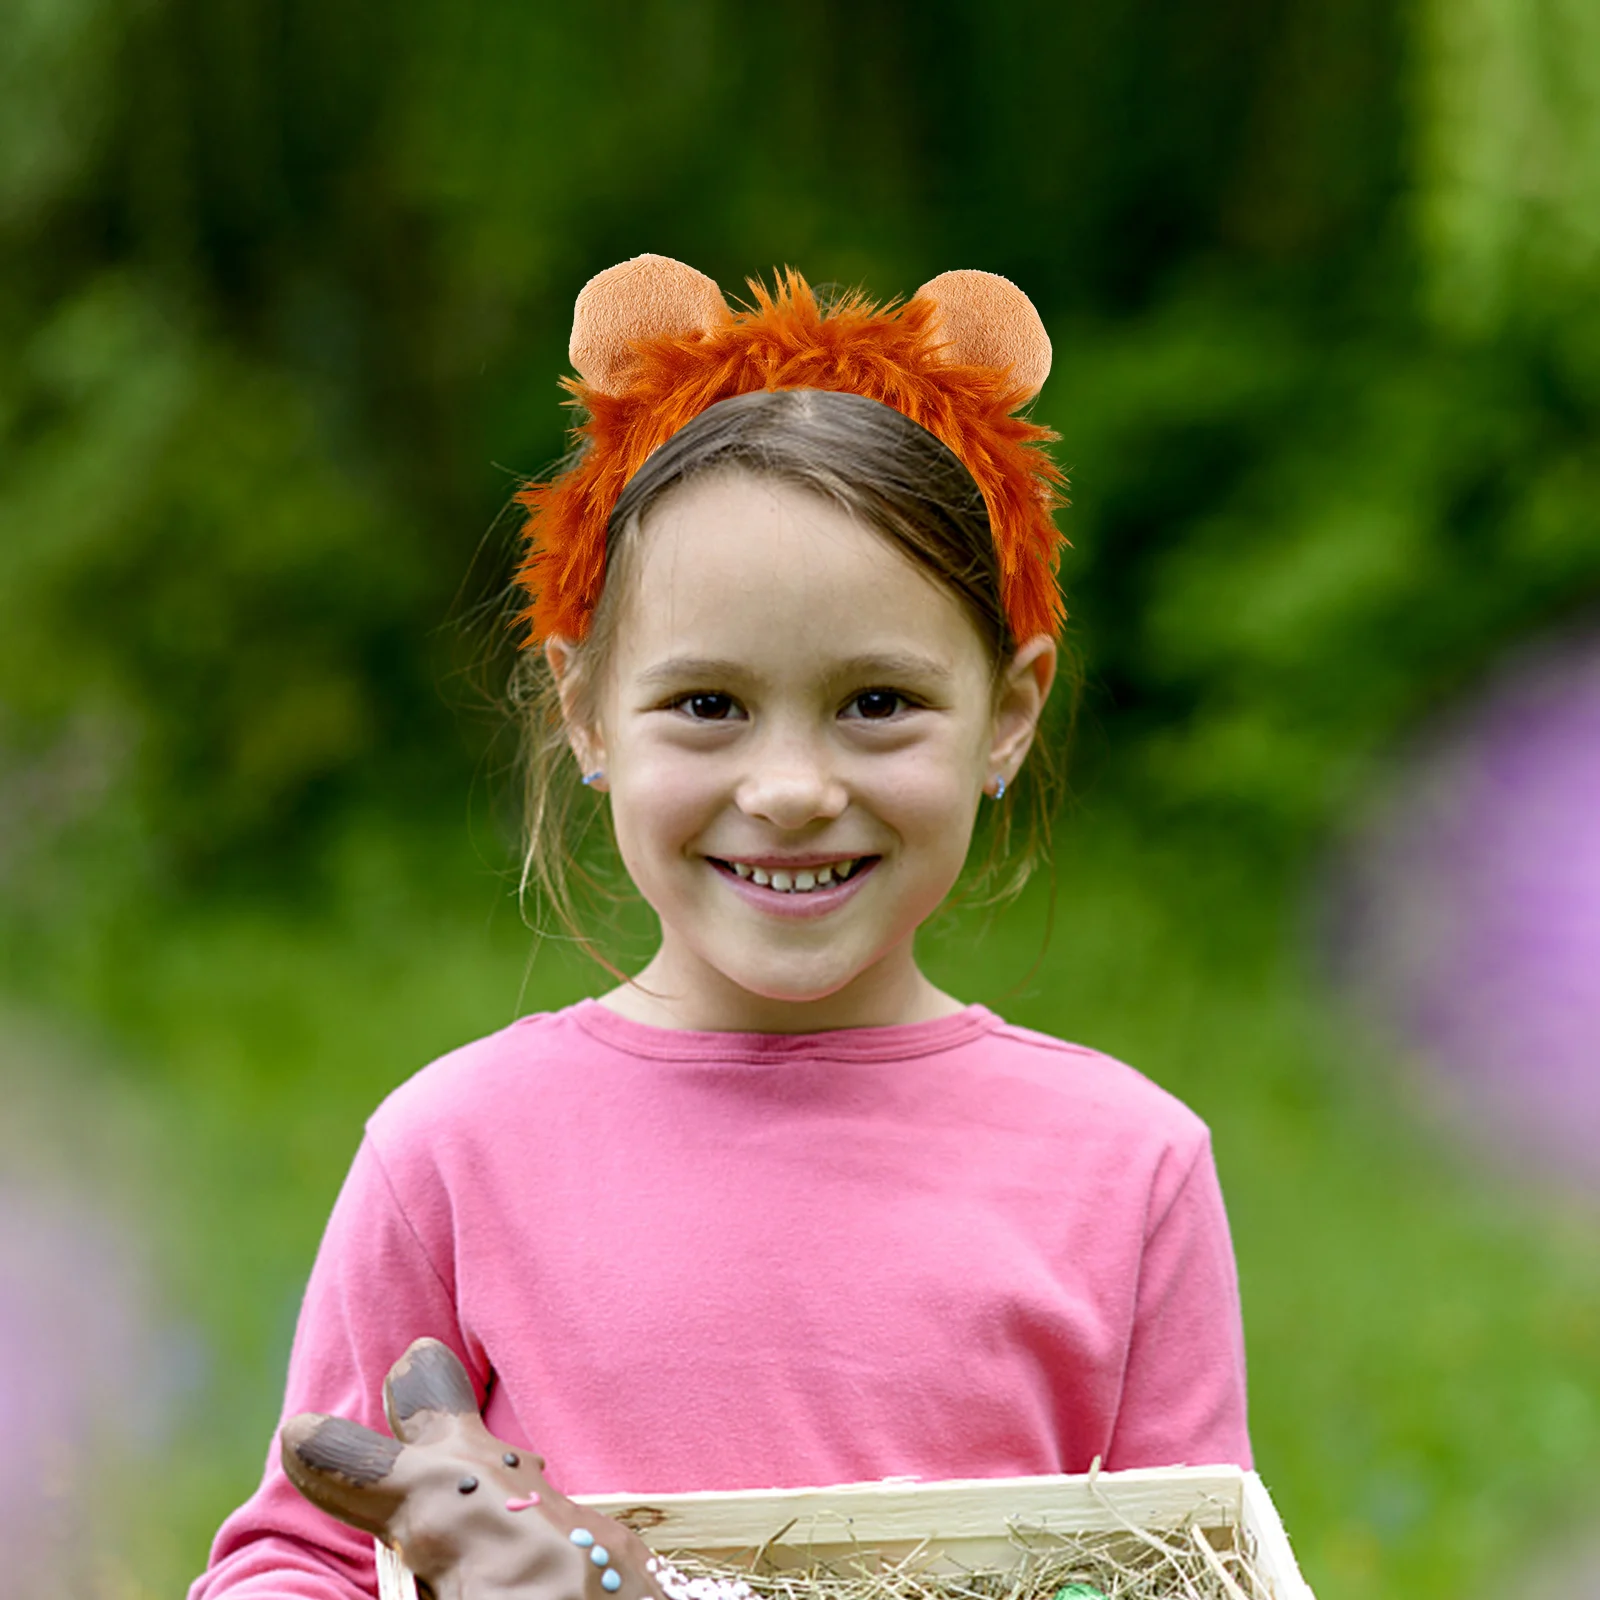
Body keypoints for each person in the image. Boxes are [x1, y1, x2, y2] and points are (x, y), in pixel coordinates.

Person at [190, 257, 1250, 1599]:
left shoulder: (1129, 1171)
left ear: (1011, 711)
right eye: (707, 705)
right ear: (582, 713)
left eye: (877, 702)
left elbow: (1201, 1564)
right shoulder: (454, 1155)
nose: (793, 790)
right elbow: (300, 1556)